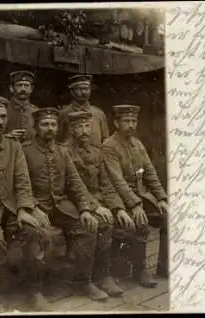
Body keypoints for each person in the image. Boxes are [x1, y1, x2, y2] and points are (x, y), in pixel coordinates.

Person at [0, 96, 54, 312]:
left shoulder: (14, 146)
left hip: (13, 207)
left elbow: (23, 180)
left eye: (3, 117)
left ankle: (34, 291)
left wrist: (25, 209)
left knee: (35, 231)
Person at [22, 108, 108, 301]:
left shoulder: (62, 151)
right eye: (45, 124)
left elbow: (75, 183)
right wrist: (33, 207)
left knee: (88, 226)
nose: (49, 129)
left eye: (53, 124)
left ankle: (83, 282)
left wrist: (85, 209)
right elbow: (21, 183)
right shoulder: (25, 151)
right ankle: (37, 291)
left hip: (61, 205)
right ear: (36, 127)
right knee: (40, 234)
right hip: (37, 207)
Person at [102, 104, 169, 288]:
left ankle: (164, 266)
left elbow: (150, 173)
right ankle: (140, 271)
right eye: (126, 121)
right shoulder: (109, 146)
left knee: (168, 217)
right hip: (120, 199)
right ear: (116, 123)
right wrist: (134, 205)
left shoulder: (137, 144)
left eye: (134, 121)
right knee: (139, 221)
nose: (131, 125)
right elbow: (117, 181)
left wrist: (162, 198)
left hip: (140, 196)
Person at [66, 111, 127, 297]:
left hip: (94, 202)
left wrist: (119, 208)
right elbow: (71, 186)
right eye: (78, 127)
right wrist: (93, 206)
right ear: (71, 129)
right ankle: (82, 281)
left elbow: (107, 185)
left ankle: (102, 276)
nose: (84, 131)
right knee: (90, 225)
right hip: (72, 201)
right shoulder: (65, 152)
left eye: (87, 126)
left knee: (108, 221)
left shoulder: (97, 152)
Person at [57, 74, 109, 147]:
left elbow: (105, 139)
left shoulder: (99, 113)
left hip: (95, 156)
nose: (84, 92)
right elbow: (58, 140)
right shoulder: (64, 113)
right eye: (80, 89)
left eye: (86, 89)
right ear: (72, 92)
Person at [5, 71, 39, 142]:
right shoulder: (4, 110)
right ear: (11, 88)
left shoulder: (37, 112)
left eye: (26, 85)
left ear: (31, 89)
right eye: (19, 85)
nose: (23, 89)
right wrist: (6, 137)